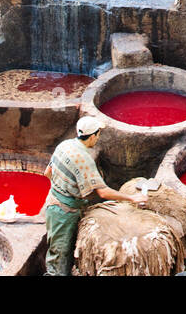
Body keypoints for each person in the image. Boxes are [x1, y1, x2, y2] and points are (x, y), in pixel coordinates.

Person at [43, 116, 148, 276]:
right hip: (64, 212)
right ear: (92, 136)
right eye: (98, 134)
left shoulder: (64, 145)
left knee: (57, 252)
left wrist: (61, 188)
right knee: (59, 260)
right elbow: (103, 192)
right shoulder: (84, 159)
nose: (98, 137)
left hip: (53, 202)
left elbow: (48, 173)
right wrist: (133, 198)